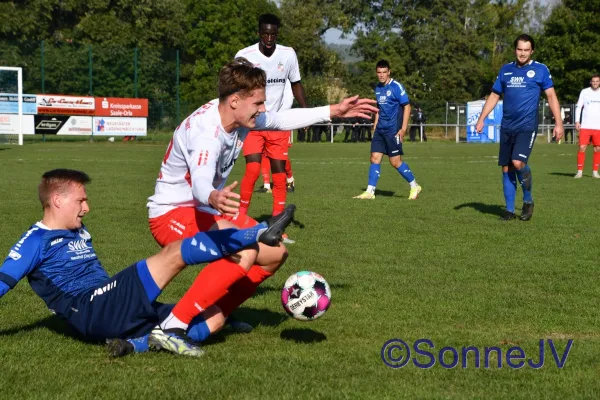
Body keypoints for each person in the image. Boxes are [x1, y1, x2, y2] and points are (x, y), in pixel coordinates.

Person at [146, 58, 377, 347]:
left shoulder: (237, 115)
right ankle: (172, 325)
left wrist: (333, 111)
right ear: (234, 100)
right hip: (171, 214)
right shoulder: (207, 133)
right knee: (244, 252)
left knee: (274, 254)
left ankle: (217, 313)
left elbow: (280, 120)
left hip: (201, 208)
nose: (263, 109)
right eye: (258, 103)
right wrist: (213, 195)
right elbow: (201, 179)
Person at [0, 169, 296, 358]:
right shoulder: (34, 240)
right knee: (173, 254)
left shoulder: (76, 230)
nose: (87, 207)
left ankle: (135, 345)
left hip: (110, 302)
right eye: (81, 200)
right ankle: (257, 232)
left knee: (214, 319)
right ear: (56, 200)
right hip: (89, 308)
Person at [476, 34, 563, 221]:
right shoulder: (505, 70)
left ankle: (528, 200)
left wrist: (558, 123)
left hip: (527, 126)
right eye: (519, 49)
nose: (522, 53)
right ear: (515, 50)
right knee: (507, 168)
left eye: (526, 50)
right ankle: (509, 211)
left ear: (532, 51)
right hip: (507, 126)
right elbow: (493, 96)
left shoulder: (540, 70)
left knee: (518, 163)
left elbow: (551, 97)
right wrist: (481, 118)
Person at [236, 14, 307, 230]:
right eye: (265, 33)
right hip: (253, 123)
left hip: (278, 123)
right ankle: (239, 221)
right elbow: (234, 86)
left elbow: (296, 84)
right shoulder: (244, 56)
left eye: (273, 34)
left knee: (279, 174)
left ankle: (277, 226)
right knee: (253, 170)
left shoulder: (288, 54)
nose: (269, 37)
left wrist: (305, 112)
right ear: (259, 32)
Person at [353, 60, 422, 200]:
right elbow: (379, 108)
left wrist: (403, 129)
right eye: (379, 72)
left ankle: (414, 186)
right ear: (376, 73)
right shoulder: (378, 88)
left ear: (389, 72)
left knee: (395, 161)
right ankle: (370, 192)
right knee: (374, 158)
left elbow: (407, 107)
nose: (382, 75)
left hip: (393, 130)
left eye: (384, 72)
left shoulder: (396, 87)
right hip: (380, 129)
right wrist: (375, 124)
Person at [574, 74, 600, 179]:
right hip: (585, 125)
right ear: (590, 82)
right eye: (593, 81)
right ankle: (579, 172)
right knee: (582, 147)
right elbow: (579, 106)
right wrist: (577, 121)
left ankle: (595, 172)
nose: (595, 83)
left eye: (597, 81)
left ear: (599, 82)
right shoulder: (584, 92)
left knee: (597, 149)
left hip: (598, 126)